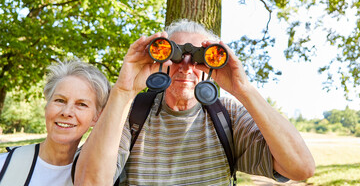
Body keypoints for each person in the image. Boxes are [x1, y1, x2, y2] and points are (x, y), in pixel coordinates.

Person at [74, 19, 315, 185]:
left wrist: (244, 90)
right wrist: (124, 90)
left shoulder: (227, 114)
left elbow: (301, 168)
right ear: (161, 58)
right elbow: (88, 183)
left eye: (201, 58)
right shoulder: (131, 111)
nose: (186, 66)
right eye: (175, 55)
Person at [0, 60, 111, 186]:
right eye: (60, 100)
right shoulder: (4, 166)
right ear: (47, 107)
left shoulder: (98, 177)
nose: (66, 112)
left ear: (96, 117)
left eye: (81, 104)